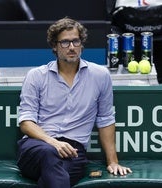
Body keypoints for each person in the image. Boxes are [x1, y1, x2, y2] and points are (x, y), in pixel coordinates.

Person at [16, 17, 132, 188]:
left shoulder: (100, 75)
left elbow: (106, 119)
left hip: (73, 151)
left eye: (75, 41)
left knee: (56, 178)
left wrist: (113, 162)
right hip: (37, 147)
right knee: (50, 156)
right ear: (54, 46)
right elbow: (26, 122)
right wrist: (53, 143)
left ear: (81, 44)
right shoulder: (36, 76)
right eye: (64, 42)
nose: (71, 47)